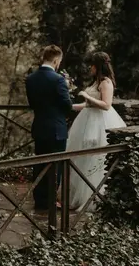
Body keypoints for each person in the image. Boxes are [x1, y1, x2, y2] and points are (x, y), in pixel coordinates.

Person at [65, 50, 126, 211]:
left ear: (98, 66)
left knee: (95, 158)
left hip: (99, 123)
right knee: (83, 159)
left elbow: (106, 105)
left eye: (92, 65)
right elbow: (88, 105)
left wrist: (87, 96)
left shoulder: (106, 82)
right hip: (86, 121)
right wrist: (70, 106)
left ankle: (94, 200)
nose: (90, 68)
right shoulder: (95, 82)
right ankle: (79, 197)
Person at [24, 44, 74, 211]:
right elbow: (67, 105)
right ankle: (51, 201)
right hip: (56, 129)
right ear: (56, 60)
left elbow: (32, 104)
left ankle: (40, 200)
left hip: (39, 127)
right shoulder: (58, 80)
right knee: (55, 166)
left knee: (39, 165)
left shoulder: (30, 79)